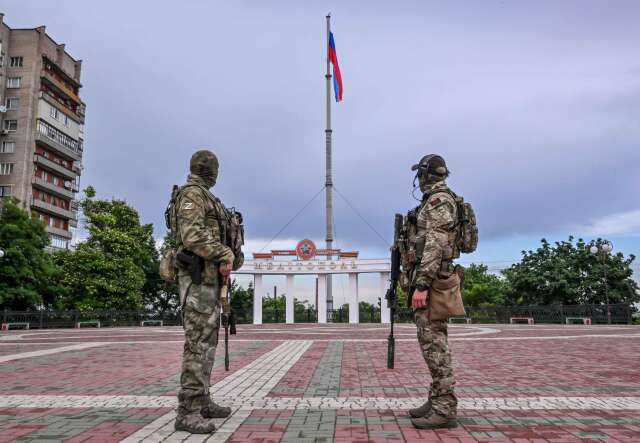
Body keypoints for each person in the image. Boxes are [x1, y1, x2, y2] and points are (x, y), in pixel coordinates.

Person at [172, 150, 244, 434]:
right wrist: (224, 252)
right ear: (211, 170)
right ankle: (187, 410)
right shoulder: (193, 195)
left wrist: (231, 252)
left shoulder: (207, 197)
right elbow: (191, 236)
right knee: (197, 345)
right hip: (197, 281)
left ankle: (201, 400)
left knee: (206, 345)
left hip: (209, 283)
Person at [405, 154, 461, 429]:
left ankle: (445, 407)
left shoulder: (439, 201)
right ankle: (437, 398)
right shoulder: (436, 200)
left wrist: (422, 284)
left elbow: (435, 244)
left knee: (435, 344)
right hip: (435, 278)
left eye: (420, 175)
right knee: (431, 342)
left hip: (434, 282)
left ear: (426, 175)